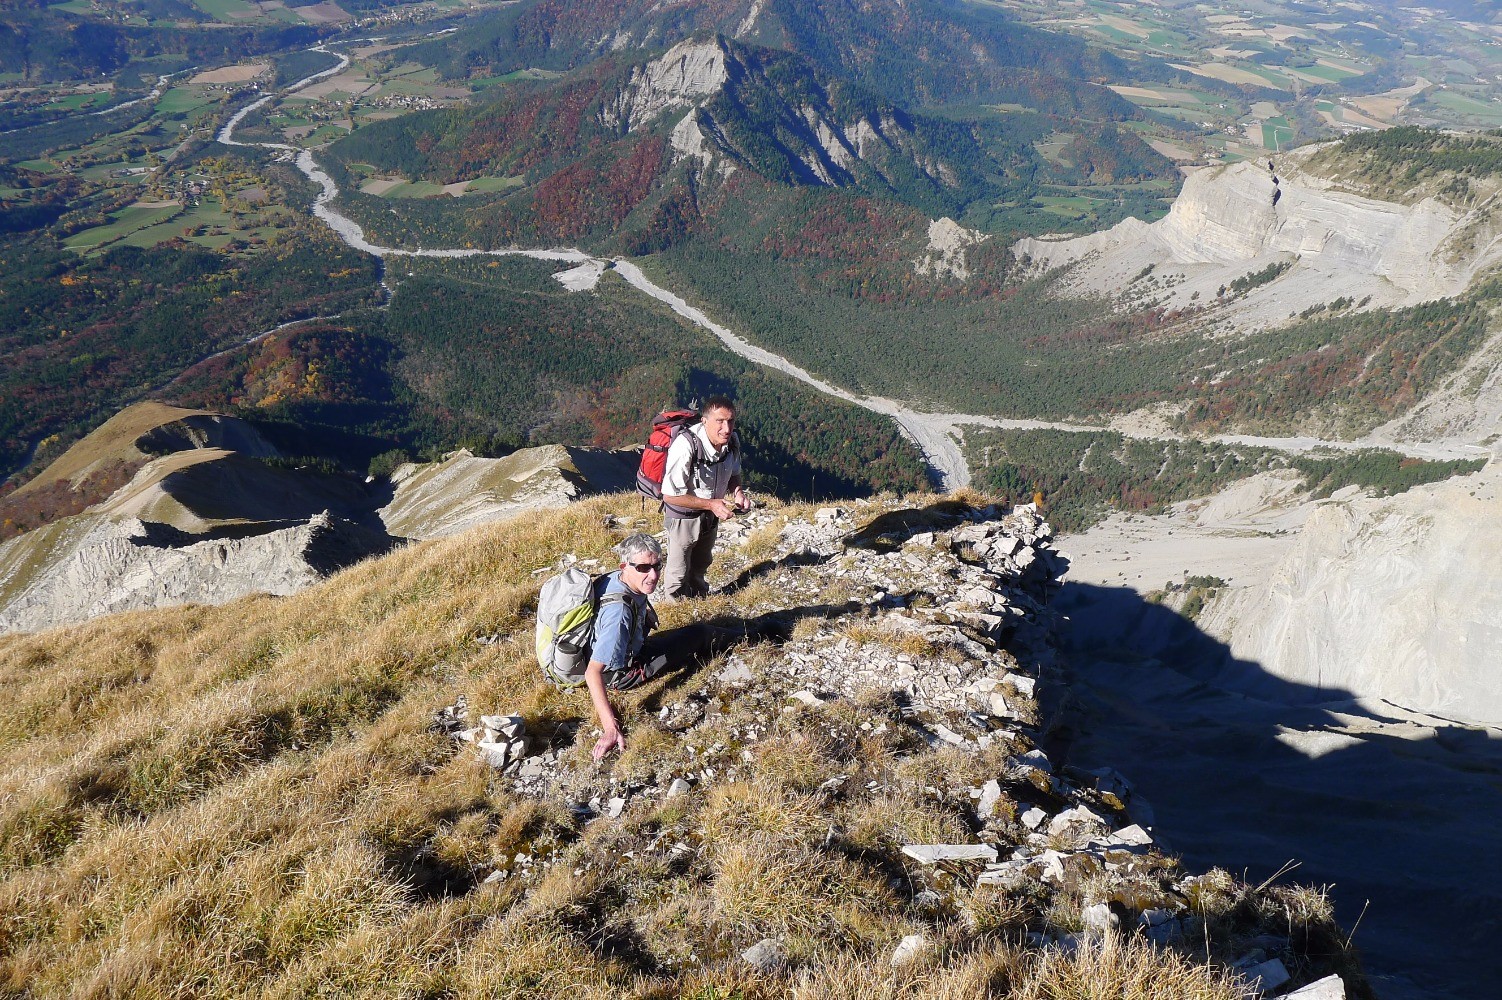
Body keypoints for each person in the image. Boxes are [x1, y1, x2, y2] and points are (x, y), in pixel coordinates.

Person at [583, 532, 787, 760]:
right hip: (621, 673)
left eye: (657, 566)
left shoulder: (615, 578)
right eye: (643, 568)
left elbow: (630, 597)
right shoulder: (619, 615)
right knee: (700, 634)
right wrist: (610, 728)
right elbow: (593, 672)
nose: (653, 575)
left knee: (693, 634)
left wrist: (644, 611)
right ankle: (756, 637)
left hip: (607, 646)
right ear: (625, 565)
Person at [660, 395, 747, 600]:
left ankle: (699, 601)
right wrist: (711, 504)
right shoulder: (685, 445)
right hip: (684, 516)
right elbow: (670, 495)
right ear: (704, 421)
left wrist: (738, 492)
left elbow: (734, 472)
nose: (726, 428)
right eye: (720, 421)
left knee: (701, 562)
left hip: (711, 513)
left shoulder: (732, 441)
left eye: (731, 421)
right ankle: (676, 612)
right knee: (678, 569)